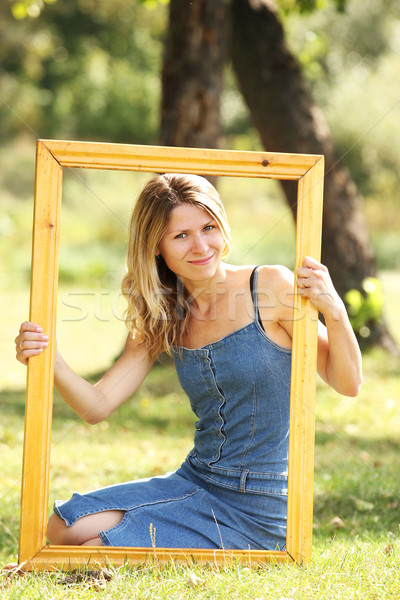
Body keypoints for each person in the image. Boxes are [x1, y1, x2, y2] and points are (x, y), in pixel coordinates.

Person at [15, 173, 362, 551]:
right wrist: (48, 358)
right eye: (181, 236)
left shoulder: (270, 287)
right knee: (64, 526)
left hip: (262, 499)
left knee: (93, 549)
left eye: (208, 227)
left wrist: (335, 310)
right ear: (157, 247)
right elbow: (97, 406)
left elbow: (348, 382)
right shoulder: (164, 310)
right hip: (196, 479)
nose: (201, 246)